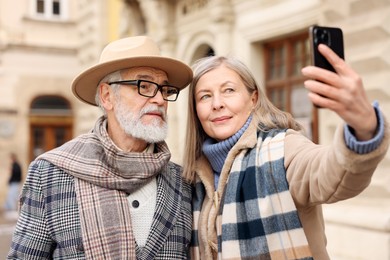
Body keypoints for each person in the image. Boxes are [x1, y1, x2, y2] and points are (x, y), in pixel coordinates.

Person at [183, 43, 389, 260]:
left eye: (229, 90)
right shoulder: (192, 177)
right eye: (205, 96)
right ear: (195, 109)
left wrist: (364, 130)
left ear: (253, 100)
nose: (217, 104)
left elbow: (330, 172)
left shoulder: (283, 148)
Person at [8, 36, 193, 259]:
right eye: (144, 86)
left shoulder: (182, 181)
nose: (160, 99)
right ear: (107, 96)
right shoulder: (50, 173)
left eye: (165, 90)